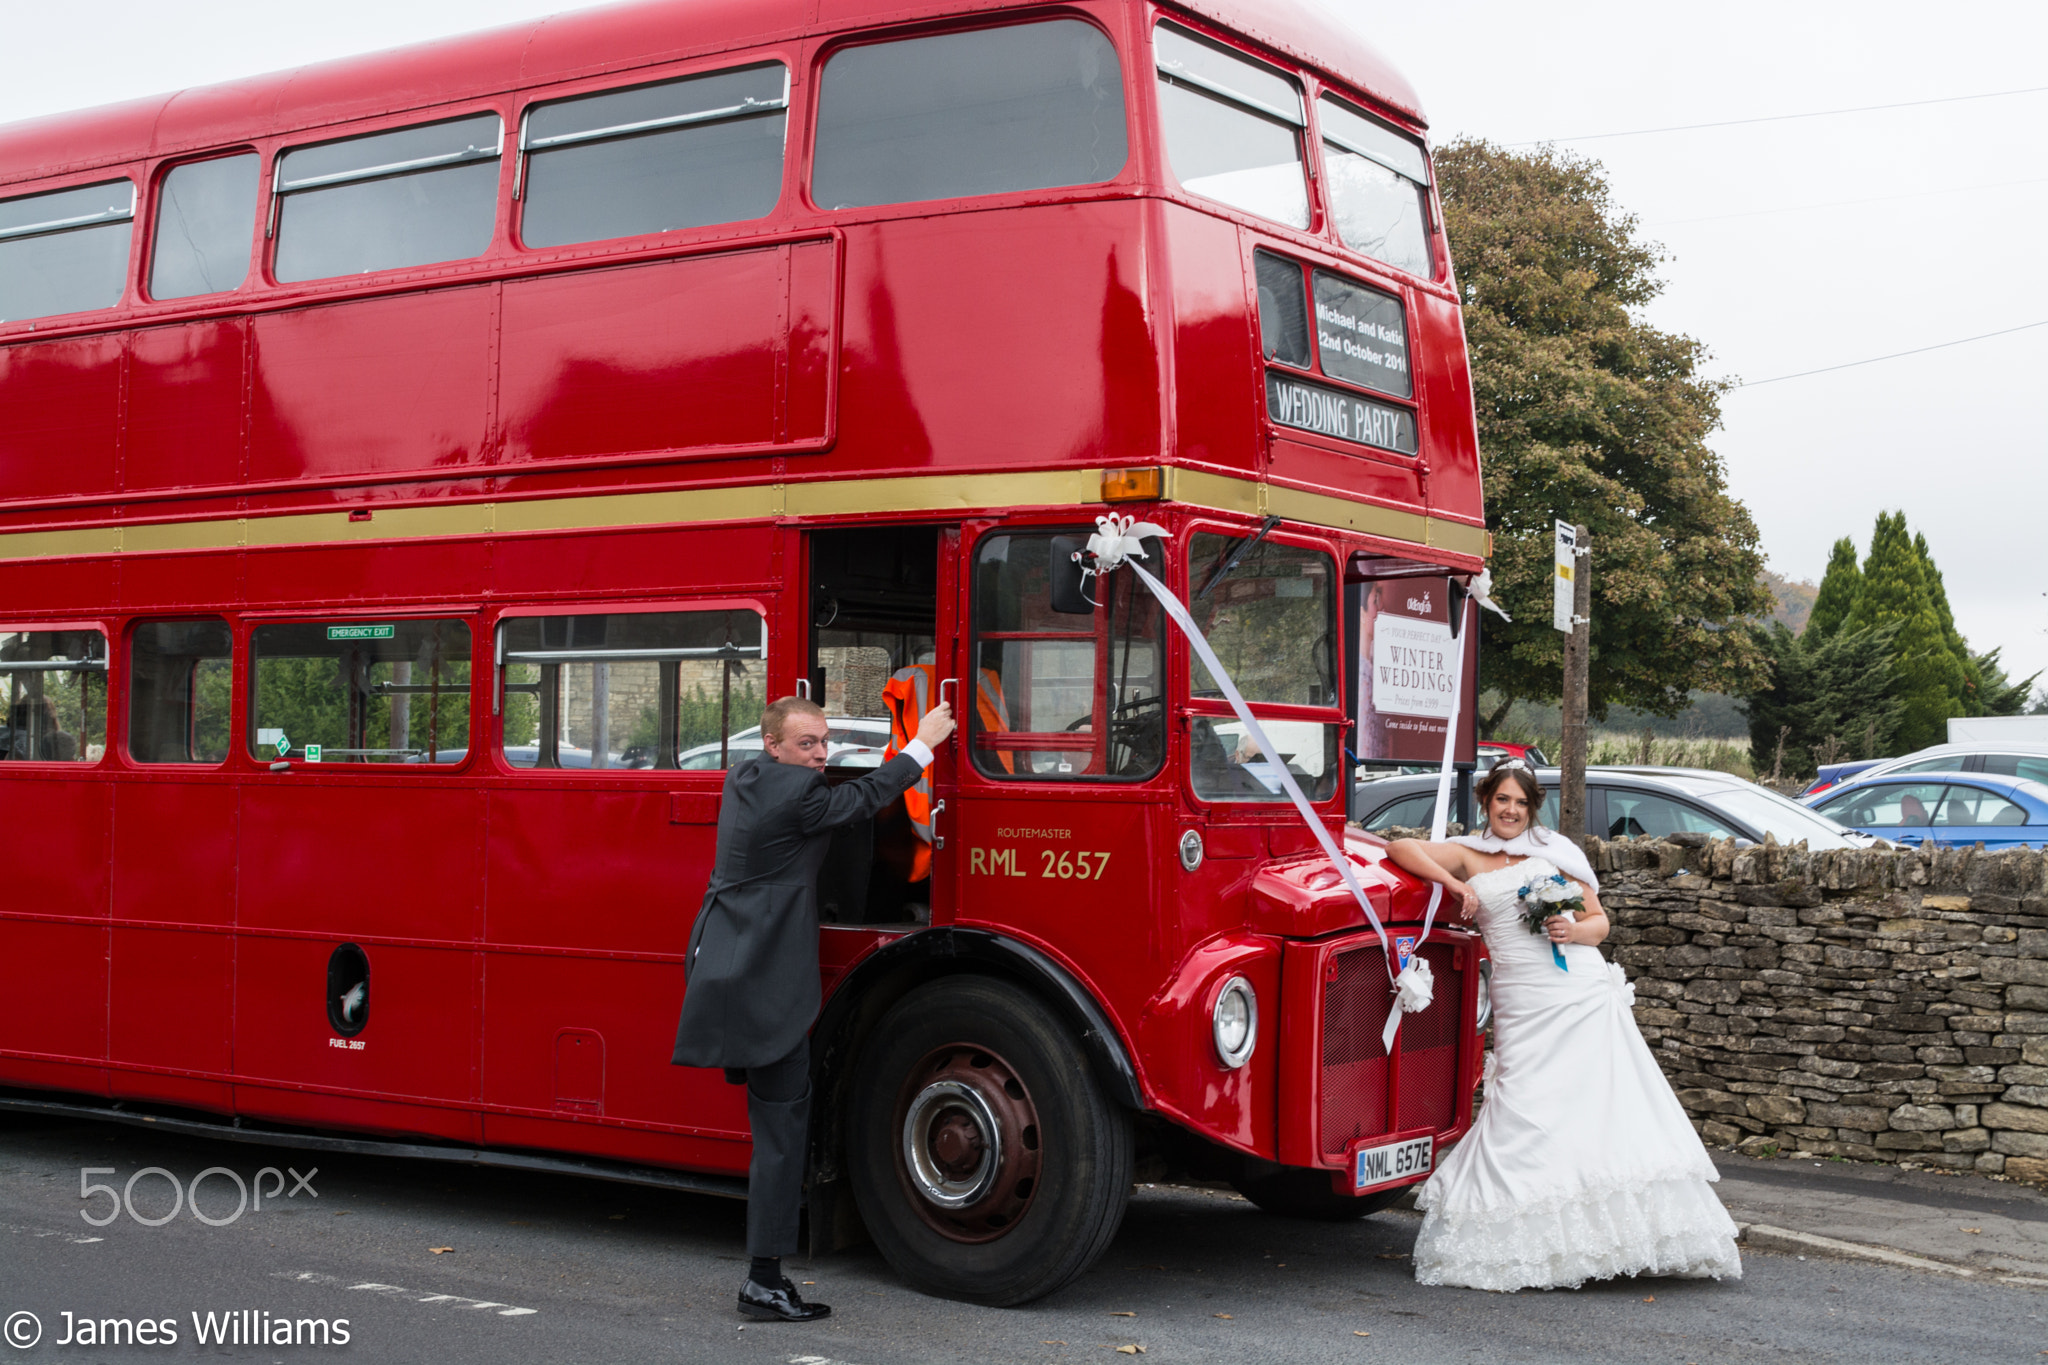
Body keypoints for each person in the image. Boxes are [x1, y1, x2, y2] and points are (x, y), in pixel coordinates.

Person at [1386, 760, 1742, 1292]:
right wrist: (1459, 887)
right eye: (1502, 800)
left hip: (1576, 988)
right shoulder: (1468, 853)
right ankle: (1529, 1236)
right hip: (1522, 996)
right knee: (1524, 1099)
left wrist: (1571, 930)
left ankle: (1611, 1236)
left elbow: (1599, 921)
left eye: (1521, 804)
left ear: (1533, 809)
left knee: (1596, 1102)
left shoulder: (1556, 854)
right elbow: (1398, 849)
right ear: (1487, 802)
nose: (1511, 811)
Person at [672, 693, 955, 1322]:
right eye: (808, 744)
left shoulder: (746, 776)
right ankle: (763, 1281)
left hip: (728, 965)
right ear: (774, 745)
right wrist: (922, 743)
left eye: (825, 742)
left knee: (777, 1123)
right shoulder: (798, 794)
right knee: (780, 1133)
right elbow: (857, 802)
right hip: (762, 983)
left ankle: (765, 1274)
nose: (821, 754)